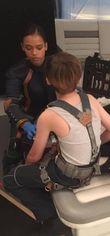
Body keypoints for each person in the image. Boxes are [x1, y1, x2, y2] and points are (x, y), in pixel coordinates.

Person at [3, 51, 110, 222]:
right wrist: (93, 145)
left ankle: (49, 215)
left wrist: (24, 169)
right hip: (92, 169)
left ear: (48, 80)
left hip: (68, 177)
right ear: (78, 77)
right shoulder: (90, 99)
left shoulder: (49, 115)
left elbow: (34, 156)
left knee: (10, 179)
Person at [3, 23, 56, 173]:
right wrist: (24, 123)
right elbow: (9, 103)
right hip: (29, 116)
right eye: (28, 48)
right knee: (15, 145)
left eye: (39, 47)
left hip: (56, 113)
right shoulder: (16, 71)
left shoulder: (57, 65)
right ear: (22, 47)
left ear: (46, 46)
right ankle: (8, 177)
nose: (34, 53)